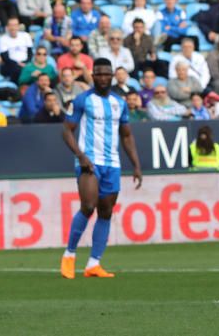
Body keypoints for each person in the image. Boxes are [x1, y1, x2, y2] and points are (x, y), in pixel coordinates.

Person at [60, 58, 142, 280]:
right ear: (92, 76)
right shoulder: (82, 100)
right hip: (89, 161)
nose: (103, 77)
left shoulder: (120, 103)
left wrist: (136, 165)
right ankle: (69, 255)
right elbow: (67, 131)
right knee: (88, 206)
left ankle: (94, 264)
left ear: (112, 76)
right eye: (99, 74)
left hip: (112, 163)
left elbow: (126, 135)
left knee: (106, 212)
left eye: (107, 74)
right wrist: (80, 155)